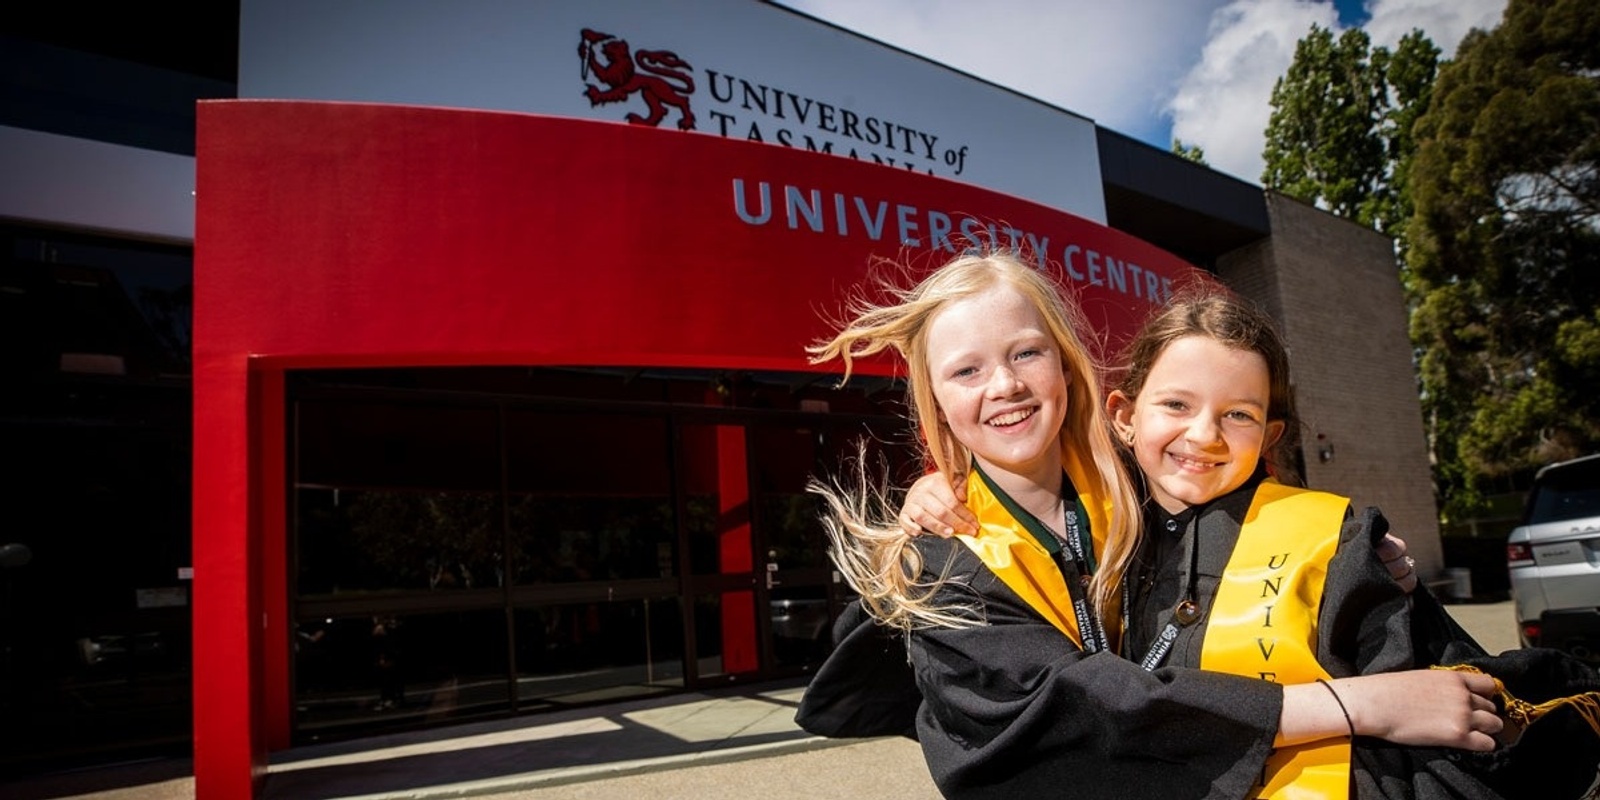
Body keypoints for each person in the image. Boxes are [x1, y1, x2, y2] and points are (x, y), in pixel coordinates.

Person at [794, 251, 1508, 800]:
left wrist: (1361, 561)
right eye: (966, 372)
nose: (1004, 385)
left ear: (1067, 367)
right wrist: (1358, 705)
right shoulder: (944, 567)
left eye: (1025, 354)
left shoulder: (1129, 486)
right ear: (934, 405)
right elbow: (1094, 708)